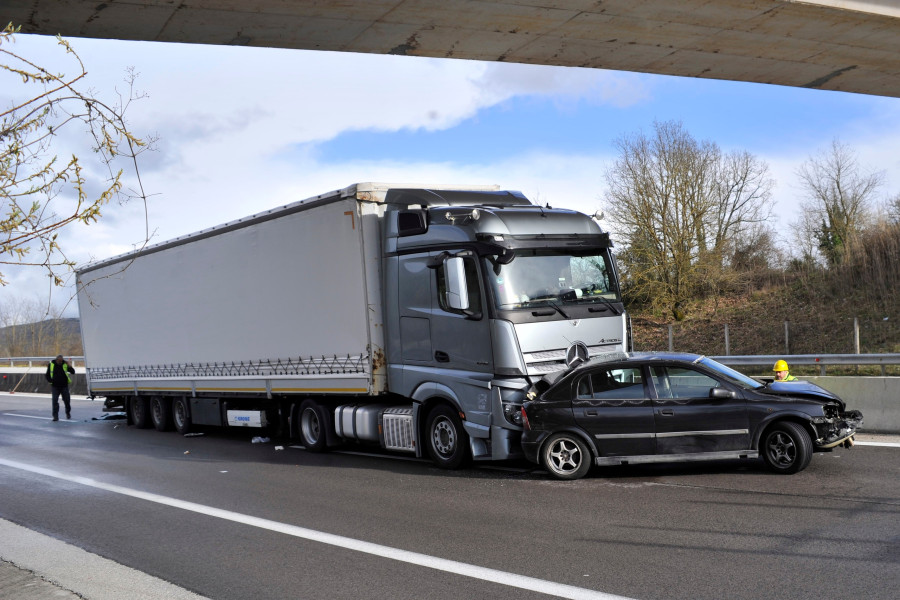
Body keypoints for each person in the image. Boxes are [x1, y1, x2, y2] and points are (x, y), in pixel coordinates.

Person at [45, 355, 75, 421]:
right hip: (55, 386)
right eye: (59, 361)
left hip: (64, 386)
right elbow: (47, 375)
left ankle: (68, 413)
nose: (60, 362)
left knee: (67, 400)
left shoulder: (65, 364)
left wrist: (69, 365)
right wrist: (51, 381)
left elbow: (73, 372)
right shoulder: (51, 365)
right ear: (56, 360)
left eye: (61, 361)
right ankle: (55, 416)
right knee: (54, 401)